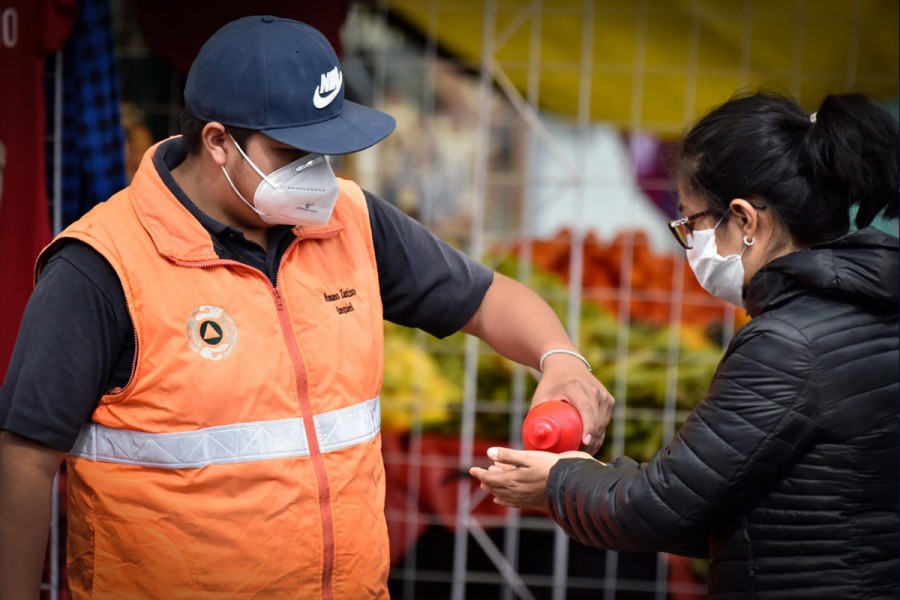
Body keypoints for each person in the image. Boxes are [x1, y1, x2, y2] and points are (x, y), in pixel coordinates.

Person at [0, 15, 615, 600]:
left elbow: (487, 298)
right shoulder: (102, 265)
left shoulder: (351, 219)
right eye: (293, 152)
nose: (317, 173)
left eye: (326, 150)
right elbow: (23, 462)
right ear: (217, 142)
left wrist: (559, 359)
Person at [471, 91, 899, 597]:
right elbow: (730, 503)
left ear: (744, 220)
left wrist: (558, 483)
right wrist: (592, 478)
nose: (687, 241)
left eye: (690, 222)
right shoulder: (872, 306)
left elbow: (658, 510)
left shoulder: (786, 344)